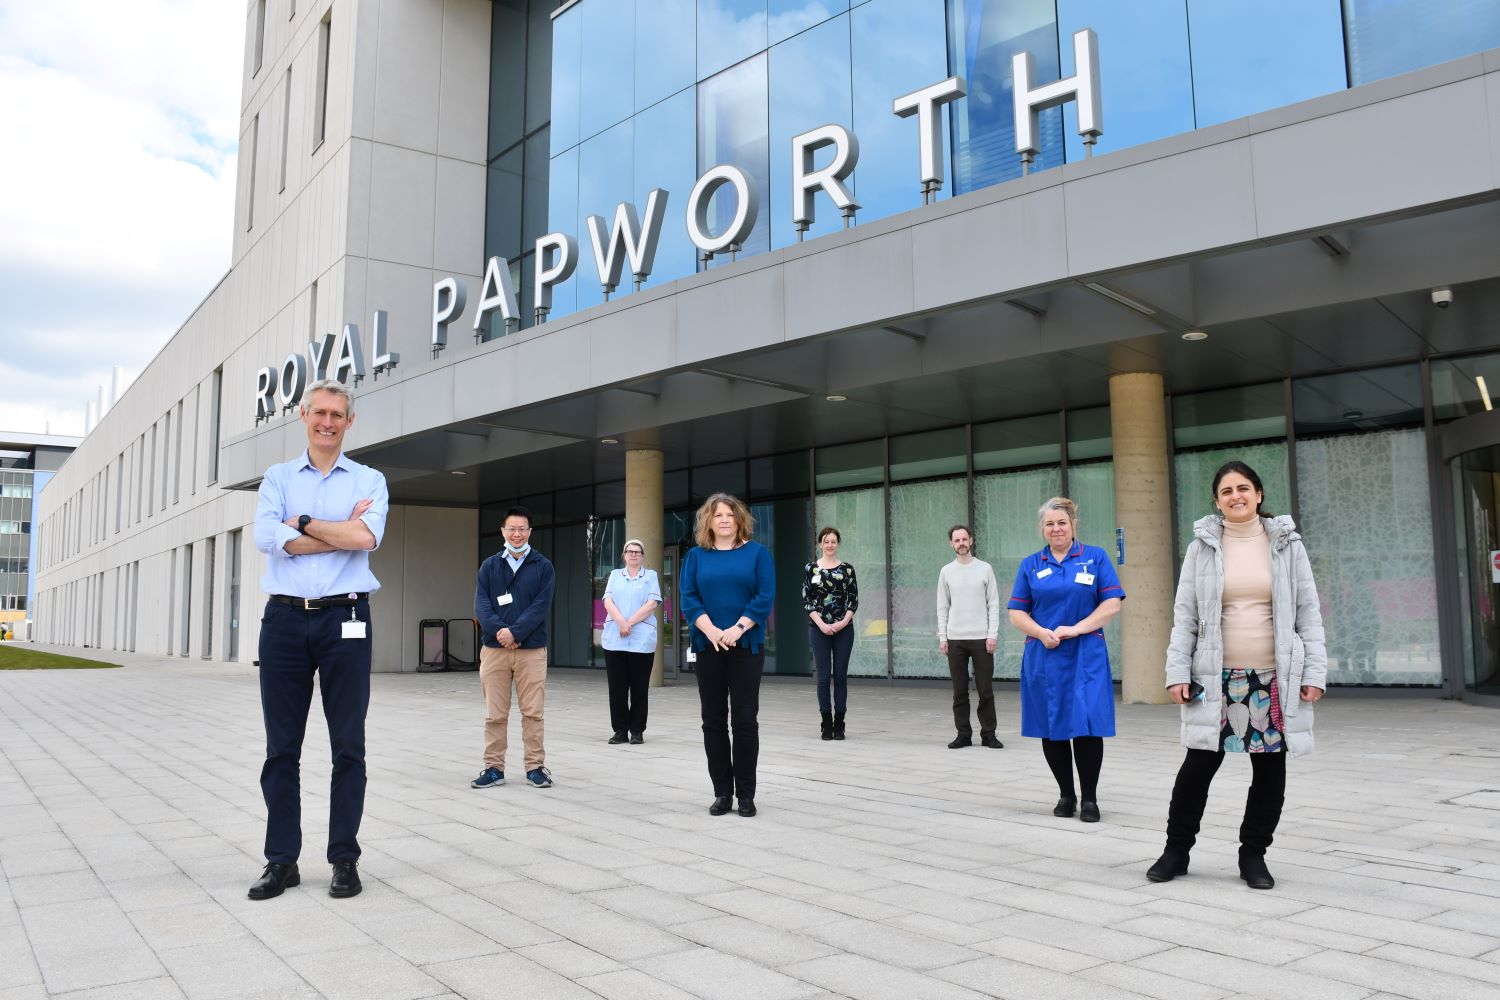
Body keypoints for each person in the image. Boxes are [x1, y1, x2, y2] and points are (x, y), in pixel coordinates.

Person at [1148, 460, 1326, 890]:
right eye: (1226, 491)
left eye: (1243, 488)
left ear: (1259, 494)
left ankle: (1253, 856)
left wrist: (1315, 672)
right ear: (1217, 501)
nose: (1236, 496)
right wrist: (1177, 671)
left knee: (1269, 770)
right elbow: (1184, 616)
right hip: (1214, 675)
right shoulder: (1202, 547)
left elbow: (1309, 613)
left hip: (1274, 676)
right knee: (1198, 765)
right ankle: (1176, 851)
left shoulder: (1287, 545)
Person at [249, 378, 388, 901]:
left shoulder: (369, 478)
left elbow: (366, 538)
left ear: (349, 422)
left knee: (348, 746)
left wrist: (303, 524)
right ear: (303, 415)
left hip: (346, 621)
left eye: (338, 415)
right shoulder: (277, 477)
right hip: (283, 624)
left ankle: (344, 859)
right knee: (280, 749)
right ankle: (281, 860)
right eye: (320, 413)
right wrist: (336, 533)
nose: (328, 422)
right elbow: (267, 537)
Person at [1006, 498, 1124, 823]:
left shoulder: (1095, 558)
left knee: (1087, 724)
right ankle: (1065, 793)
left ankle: (1089, 798)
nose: (1056, 528)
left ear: (1073, 525)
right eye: (1049, 524)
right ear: (1042, 529)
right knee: (1051, 725)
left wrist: (1077, 628)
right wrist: (1042, 633)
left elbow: (1111, 603)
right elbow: (1016, 612)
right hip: (1045, 654)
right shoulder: (1031, 564)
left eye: (1061, 522)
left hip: (1086, 653)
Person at [680, 492, 775, 817]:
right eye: (718, 515)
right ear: (709, 520)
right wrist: (712, 631)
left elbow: (765, 595)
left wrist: (737, 628)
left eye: (729, 515)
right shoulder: (695, 556)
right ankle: (722, 793)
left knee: (746, 720)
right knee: (713, 721)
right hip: (708, 647)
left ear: (739, 520)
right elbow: (688, 598)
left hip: (746, 646)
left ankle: (746, 795)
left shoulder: (758, 554)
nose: (724, 520)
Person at [471, 506, 557, 790]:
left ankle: (535, 767)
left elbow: (541, 606)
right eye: (512, 528)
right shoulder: (490, 566)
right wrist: (501, 633)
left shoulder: (543, 566)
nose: (517, 533)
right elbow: (481, 605)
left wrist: (515, 632)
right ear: (503, 531)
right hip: (495, 650)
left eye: (522, 529)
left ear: (530, 532)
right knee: (494, 713)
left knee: (533, 712)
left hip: (531, 650)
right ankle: (493, 768)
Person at [937, 525, 1002, 749]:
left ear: (971, 541)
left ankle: (989, 734)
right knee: (959, 690)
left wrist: (992, 634)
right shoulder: (946, 571)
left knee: (985, 689)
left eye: (964, 539)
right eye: (957, 540)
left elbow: (993, 604)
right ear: (951, 544)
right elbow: (942, 606)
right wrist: (942, 637)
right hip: (955, 639)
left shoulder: (985, 569)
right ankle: (963, 734)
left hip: (982, 638)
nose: (961, 543)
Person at [601, 538, 661, 744]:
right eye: (630, 551)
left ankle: (637, 731)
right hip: (615, 638)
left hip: (641, 640)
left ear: (642, 556)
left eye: (637, 551)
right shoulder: (615, 575)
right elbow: (608, 600)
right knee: (617, 688)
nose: (633, 554)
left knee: (639, 687)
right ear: (624, 555)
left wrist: (629, 623)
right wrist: (621, 622)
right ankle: (619, 730)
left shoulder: (650, 576)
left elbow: (652, 603)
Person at [802, 526, 858, 741]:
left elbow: (853, 599)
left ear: (838, 544)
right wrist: (822, 624)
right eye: (826, 541)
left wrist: (843, 622)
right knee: (823, 677)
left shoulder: (848, 570)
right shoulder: (811, 569)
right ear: (820, 544)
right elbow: (807, 600)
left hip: (844, 629)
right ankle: (826, 722)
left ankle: (839, 722)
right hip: (818, 629)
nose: (830, 545)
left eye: (833, 541)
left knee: (841, 676)